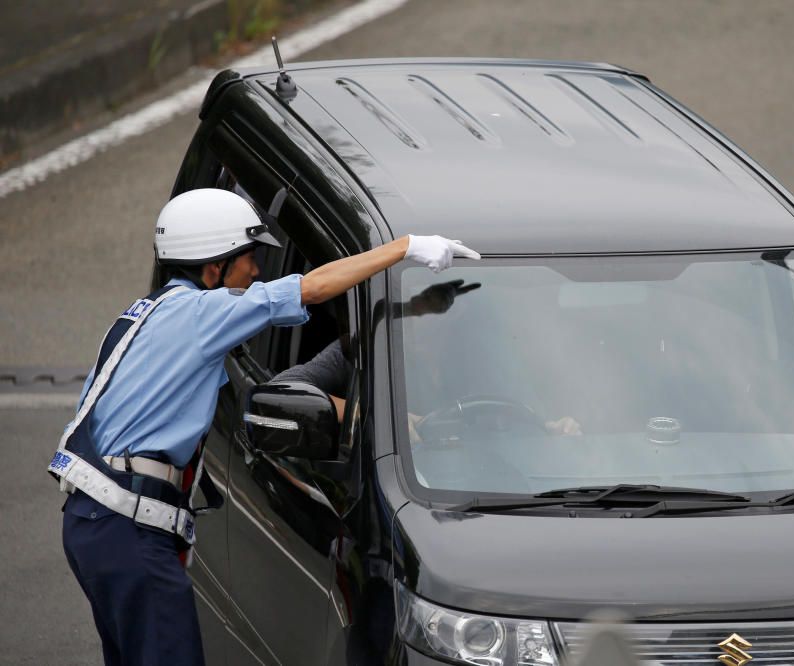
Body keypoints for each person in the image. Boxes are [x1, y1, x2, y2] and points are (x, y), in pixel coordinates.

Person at [46, 188, 479, 666]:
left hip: (95, 523)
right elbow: (310, 288)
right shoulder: (201, 314)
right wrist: (406, 248)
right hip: (129, 531)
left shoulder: (146, 315)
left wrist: (411, 310)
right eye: (248, 259)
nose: (255, 272)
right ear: (214, 268)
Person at [272, 279, 582, 439]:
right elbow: (282, 389)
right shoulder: (364, 346)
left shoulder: (483, 354)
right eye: (418, 303)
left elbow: (521, 412)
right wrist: (367, 414)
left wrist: (552, 430)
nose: (429, 314)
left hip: (477, 480)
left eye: (444, 306)